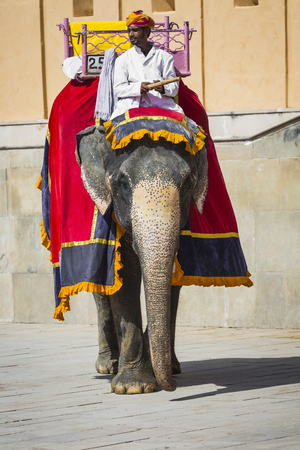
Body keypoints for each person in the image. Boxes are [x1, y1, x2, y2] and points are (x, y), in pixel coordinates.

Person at [110, 10, 184, 120]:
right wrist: (137, 88)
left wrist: (163, 88)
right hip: (131, 105)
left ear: (146, 32)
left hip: (161, 104)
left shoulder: (165, 57)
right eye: (129, 31)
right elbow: (118, 89)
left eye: (135, 30)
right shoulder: (122, 59)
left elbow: (173, 89)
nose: (131, 34)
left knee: (183, 125)